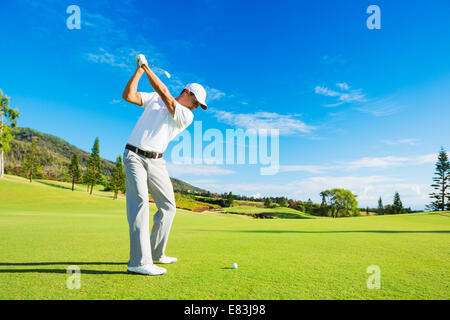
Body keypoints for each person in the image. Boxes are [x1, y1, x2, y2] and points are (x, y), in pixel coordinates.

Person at [121, 54, 208, 275]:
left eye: (199, 105)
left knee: (168, 207)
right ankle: (139, 262)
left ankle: (156, 253)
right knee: (140, 202)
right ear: (187, 93)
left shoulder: (186, 115)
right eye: (196, 102)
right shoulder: (154, 99)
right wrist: (139, 71)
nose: (197, 107)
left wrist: (147, 68)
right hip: (134, 156)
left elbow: (167, 96)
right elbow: (128, 96)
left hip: (157, 161)